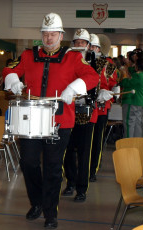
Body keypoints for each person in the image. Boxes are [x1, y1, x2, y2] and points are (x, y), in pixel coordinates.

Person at [2, 13, 98, 229]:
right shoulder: (28, 55)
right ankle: (36, 202)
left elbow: (93, 76)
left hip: (60, 120)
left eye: (53, 34)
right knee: (28, 162)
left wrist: (73, 87)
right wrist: (14, 80)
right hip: (31, 119)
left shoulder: (73, 56)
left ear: (61, 35)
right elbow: (9, 69)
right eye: (45, 34)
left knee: (54, 167)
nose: (48, 38)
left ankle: (50, 212)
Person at [62, 28, 104, 203]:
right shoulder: (66, 60)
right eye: (76, 42)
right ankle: (70, 182)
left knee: (84, 152)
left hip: (86, 112)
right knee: (67, 150)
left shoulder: (96, 62)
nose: (79, 45)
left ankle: (81, 188)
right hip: (68, 111)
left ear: (88, 45)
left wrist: (103, 92)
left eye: (83, 43)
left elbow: (98, 82)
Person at [88, 33, 118, 183]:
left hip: (101, 107)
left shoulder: (109, 65)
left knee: (97, 140)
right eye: (90, 46)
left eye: (94, 46)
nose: (91, 49)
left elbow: (114, 87)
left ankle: (93, 169)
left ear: (100, 48)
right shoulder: (84, 61)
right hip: (84, 108)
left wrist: (109, 95)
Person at [121, 49, 143, 138]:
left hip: (132, 101)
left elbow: (125, 83)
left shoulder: (138, 75)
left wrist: (124, 74)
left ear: (137, 66)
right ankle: (137, 144)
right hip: (140, 101)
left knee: (129, 123)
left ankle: (129, 144)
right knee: (138, 123)